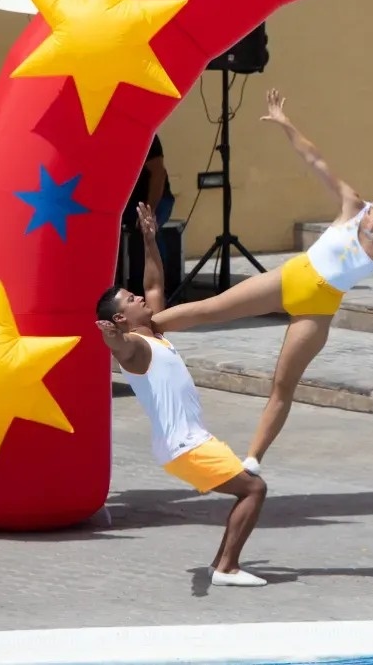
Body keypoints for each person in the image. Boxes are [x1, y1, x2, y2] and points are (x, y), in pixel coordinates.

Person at [137, 88, 373, 477]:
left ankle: (252, 461)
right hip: (292, 278)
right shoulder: (352, 205)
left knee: (283, 385)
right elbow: (315, 160)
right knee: (208, 310)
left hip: (317, 311)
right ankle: (141, 331)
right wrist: (286, 124)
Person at [96, 202, 269, 587]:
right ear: (121, 318)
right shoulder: (136, 347)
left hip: (189, 442)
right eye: (130, 299)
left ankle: (222, 565)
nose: (139, 297)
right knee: (254, 489)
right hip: (184, 447)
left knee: (249, 489)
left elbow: (155, 284)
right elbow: (120, 346)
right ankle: (225, 568)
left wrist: (150, 239)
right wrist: (109, 335)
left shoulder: (155, 330)